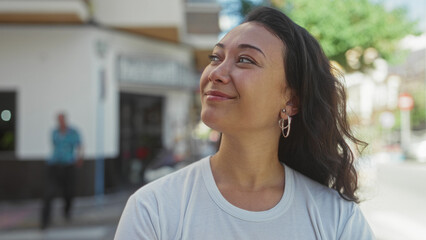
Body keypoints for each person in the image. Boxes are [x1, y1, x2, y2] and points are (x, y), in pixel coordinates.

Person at [114, 6, 375, 239]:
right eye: (216, 57)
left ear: (292, 101)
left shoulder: (337, 220)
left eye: (245, 60)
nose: (216, 73)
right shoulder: (154, 209)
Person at [40, 113, 83, 229]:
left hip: (68, 165)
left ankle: (67, 212)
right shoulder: (54, 132)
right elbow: (54, 146)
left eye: (62, 119)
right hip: (54, 165)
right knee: (49, 192)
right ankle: (45, 220)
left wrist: (79, 158)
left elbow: (79, 145)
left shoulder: (73, 132)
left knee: (69, 192)